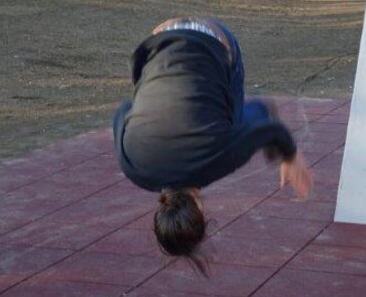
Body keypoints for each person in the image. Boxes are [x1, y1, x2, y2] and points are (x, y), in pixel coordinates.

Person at [112, 18, 313, 272]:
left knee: (238, 120)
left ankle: (258, 109)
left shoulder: (219, 161)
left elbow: (272, 131)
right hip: (157, 40)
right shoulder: (133, 168)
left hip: (214, 39)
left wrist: (290, 157)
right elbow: (123, 110)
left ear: (200, 209)